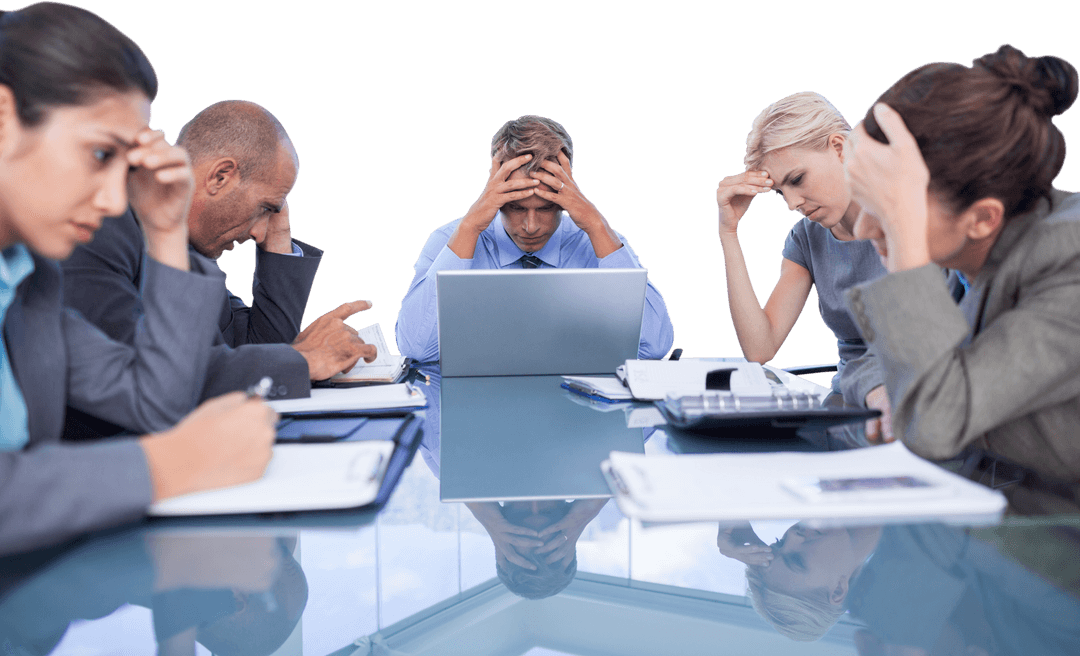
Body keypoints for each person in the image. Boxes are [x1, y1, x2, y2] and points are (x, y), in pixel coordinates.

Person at [0, 2, 276, 556]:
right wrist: (167, 465)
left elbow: (155, 404)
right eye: (99, 153)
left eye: (122, 166)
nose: (110, 201)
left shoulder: (32, 287)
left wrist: (164, 230)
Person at [842, 44, 1080, 479]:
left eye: (891, 205)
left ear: (982, 218)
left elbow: (933, 421)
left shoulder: (1071, 259)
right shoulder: (965, 255)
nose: (862, 230)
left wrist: (906, 237)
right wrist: (882, 394)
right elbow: (866, 358)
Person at [62, 99, 376, 404]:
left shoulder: (193, 252)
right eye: (264, 208)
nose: (258, 232)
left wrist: (279, 239)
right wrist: (300, 360)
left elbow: (255, 345)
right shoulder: (101, 227)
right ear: (220, 176)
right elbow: (149, 373)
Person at [395, 115, 674, 362]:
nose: (530, 226)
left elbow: (655, 347)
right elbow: (416, 348)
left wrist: (596, 225)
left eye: (545, 208)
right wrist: (469, 227)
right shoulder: (450, 240)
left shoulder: (600, 242)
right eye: (515, 207)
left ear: (565, 200)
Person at [714, 92, 891, 438]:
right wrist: (729, 233)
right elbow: (760, 347)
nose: (793, 203)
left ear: (839, 148)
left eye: (796, 179)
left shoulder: (907, 210)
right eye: (781, 192)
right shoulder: (808, 237)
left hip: (906, 399)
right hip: (848, 408)